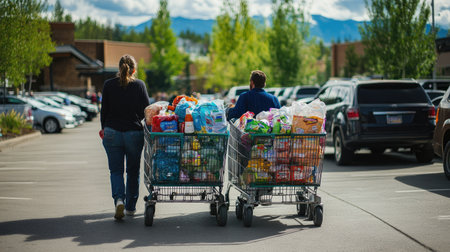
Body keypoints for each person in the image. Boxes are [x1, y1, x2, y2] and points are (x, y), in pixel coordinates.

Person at [99, 54, 150, 220]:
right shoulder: (139, 85)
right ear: (134, 69)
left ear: (119, 68)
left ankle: (119, 200)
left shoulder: (108, 85)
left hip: (112, 132)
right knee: (133, 171)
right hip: (134, 133)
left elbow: (104, 111)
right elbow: (147, 111)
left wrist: (103, 129)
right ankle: (130, 207)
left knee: (116, 171)